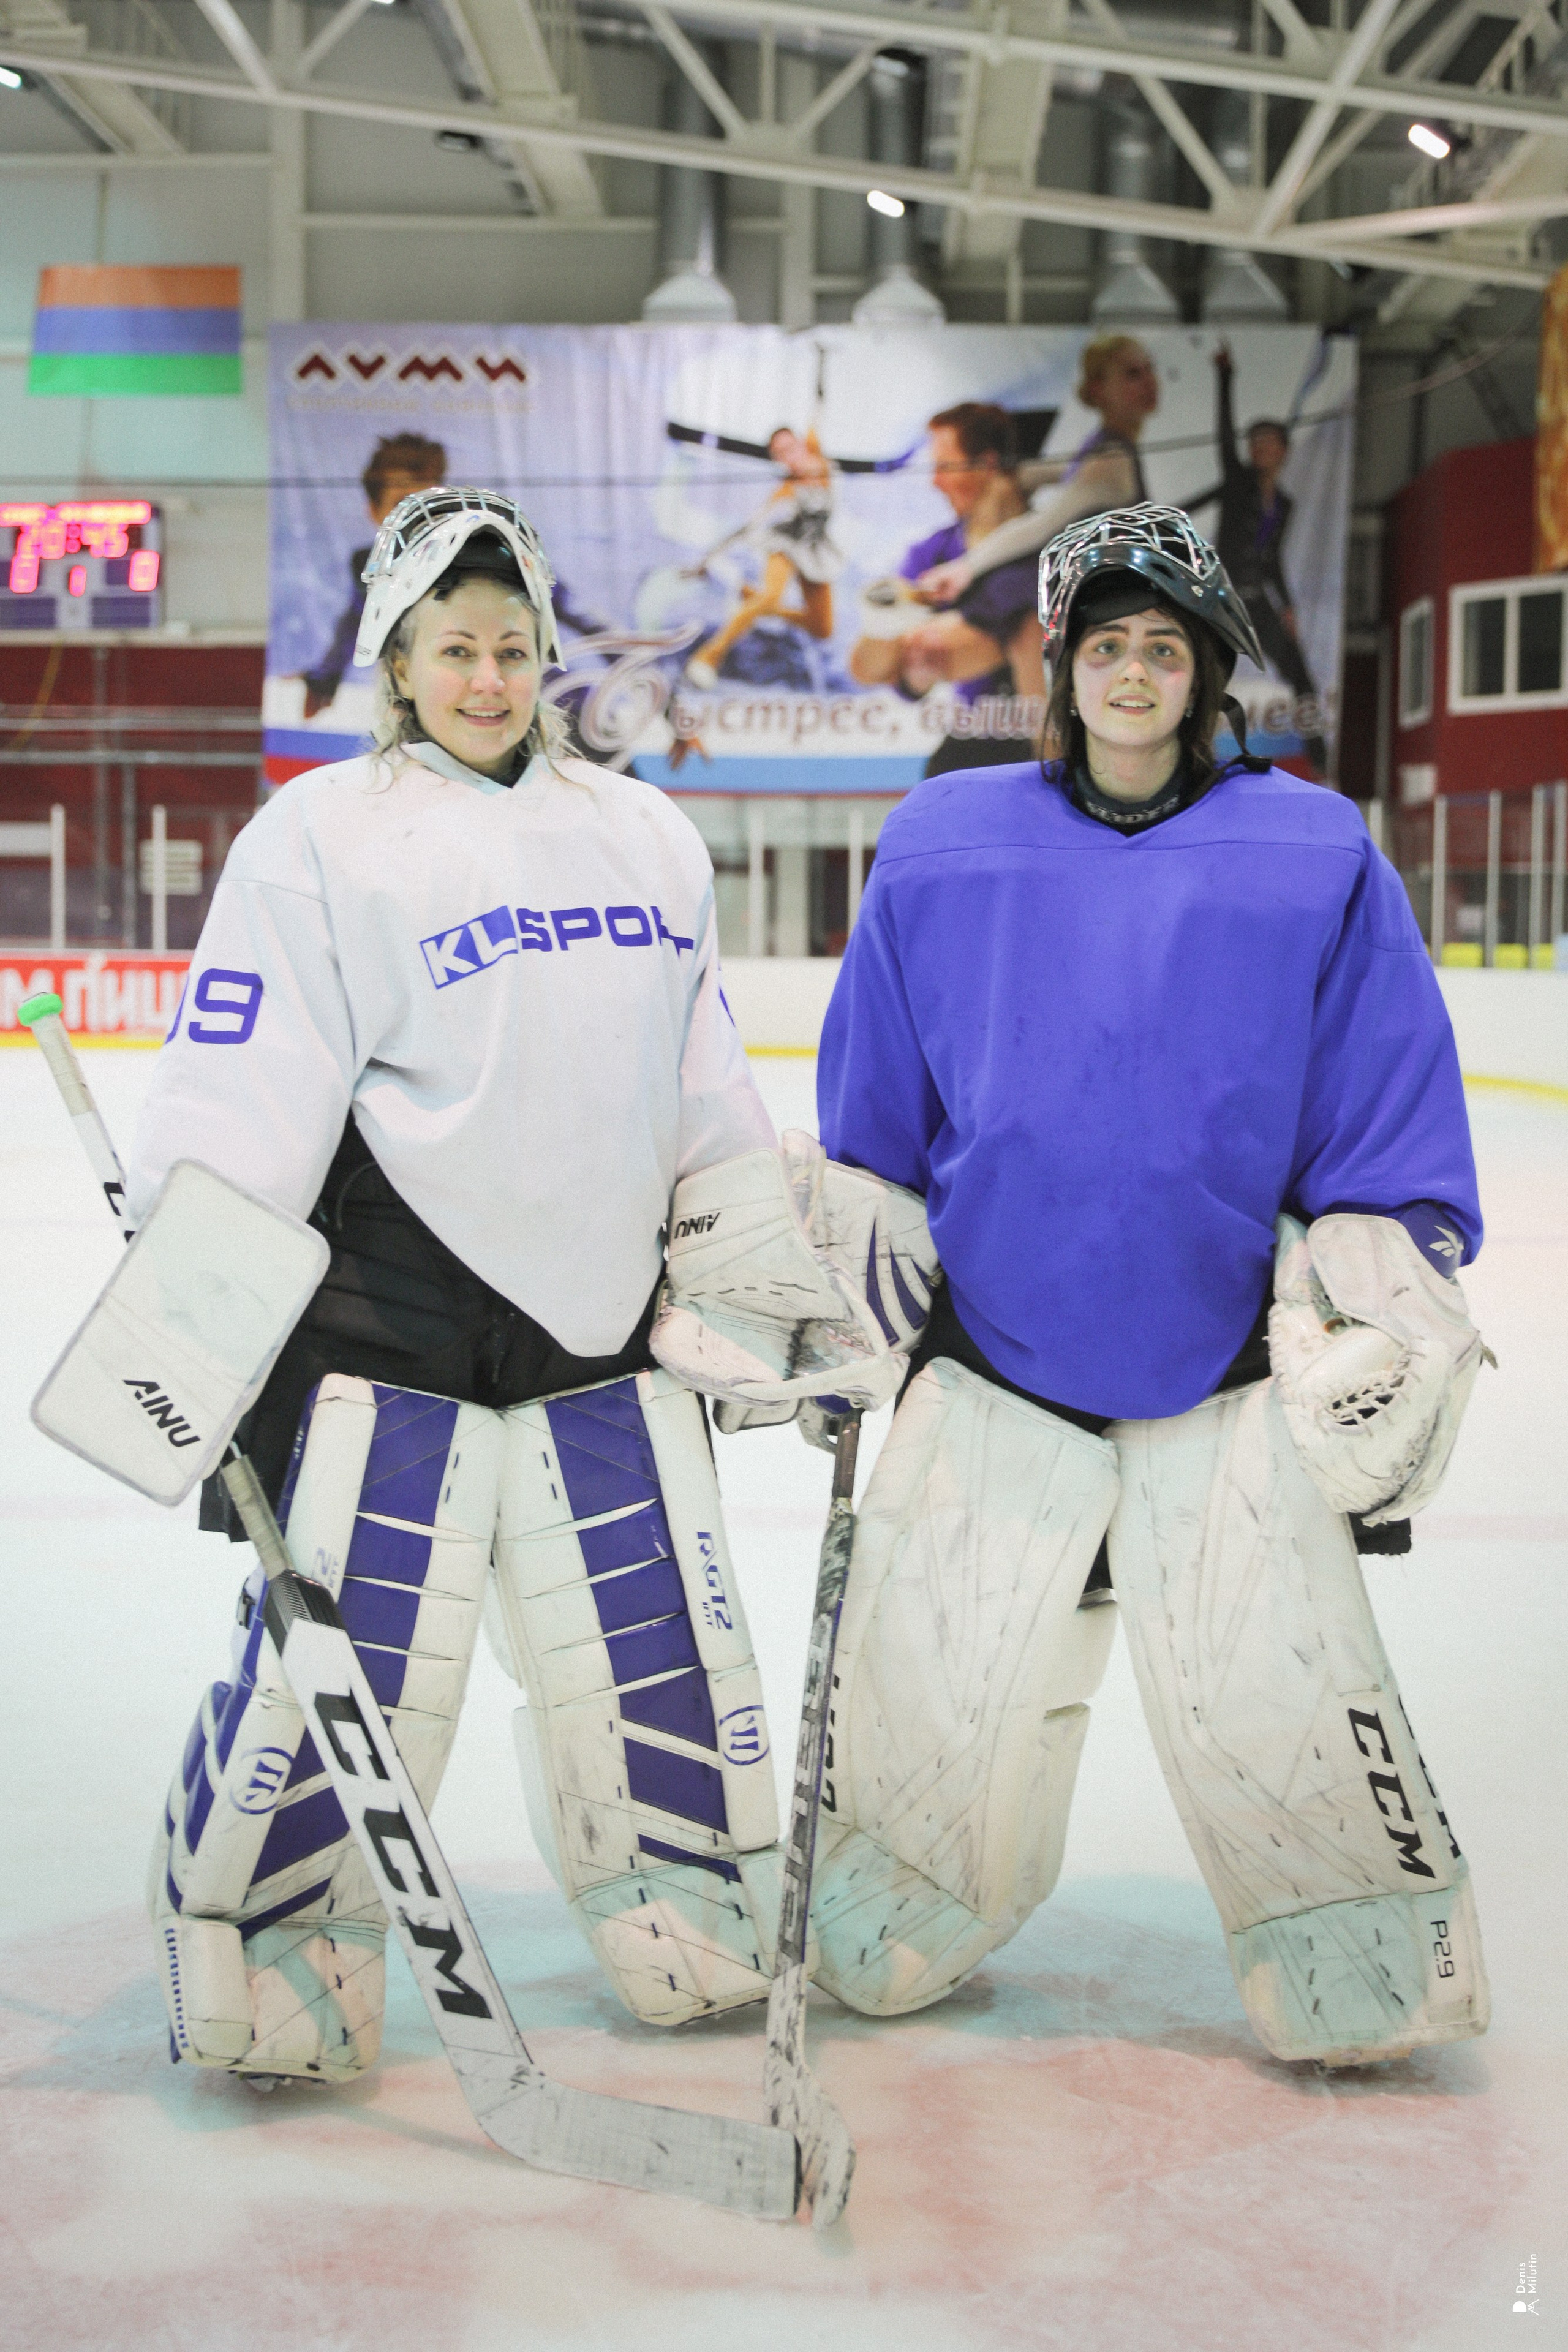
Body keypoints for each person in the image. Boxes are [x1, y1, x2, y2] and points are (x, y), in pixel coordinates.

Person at [129, 487, 820, 2086]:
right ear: (398, 652)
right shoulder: (318, 834)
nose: (490, 675)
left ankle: (678, 1892)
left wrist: (751, 1264)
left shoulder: (644, 834)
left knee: (647, 1632)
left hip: (602, 1322)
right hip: (392, 1315)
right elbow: (241, 1088)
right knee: (361, 1650)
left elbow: (700, 1076)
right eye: (456, 646)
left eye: (512, 646)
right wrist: (198, 1312)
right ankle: (277, 1937)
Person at [791, 503, 1491, 2064]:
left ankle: (1351, 1944)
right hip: (989, 1357)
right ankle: (899, 1896)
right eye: (1101, 644)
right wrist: (845, 1269)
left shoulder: (1307, 849)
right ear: (1059, 666)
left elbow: (1374, 1097)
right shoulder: (944, 843)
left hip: (1226, 1363)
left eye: (1159, 646)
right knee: (934, 1690)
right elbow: (876, 1121)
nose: (1128, 672)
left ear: (1203, 673)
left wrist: (1380, 1266)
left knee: (1275, 1694)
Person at [848, 402, 1046, 775]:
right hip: (979, 739)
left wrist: (941, 638)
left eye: (943, 466)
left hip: (1049, 747)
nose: (934, 482)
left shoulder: (1051, 549)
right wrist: (912, 671)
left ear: (987, 465)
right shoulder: (934, 552)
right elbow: (867, 668)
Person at [911, 334, 1158, 610]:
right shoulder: (1105, 452)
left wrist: (967, 566)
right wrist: (967, 567)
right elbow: (1050, 509)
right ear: (1099, 389)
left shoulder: (1109, 455)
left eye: (1150, 369)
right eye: (1133, 373)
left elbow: (1049, 514)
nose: (1150, 382)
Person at [1183, 341, 1329, 774]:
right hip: (1225, 600)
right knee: (1210, 681)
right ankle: (1190, 757)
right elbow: (1224, 434)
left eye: (1269, 442)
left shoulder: (1283, 504)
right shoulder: (1238, 481)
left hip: (1259, 602)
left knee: (1301, 677)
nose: (1260, 449)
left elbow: (1273, 561)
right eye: (1255, 442)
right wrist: (1226, 376)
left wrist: (1288, 609)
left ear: (1283, 450)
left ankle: (1321, 761)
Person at [299, 432, 447, 717]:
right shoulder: (368, 565)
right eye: (401, 504)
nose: (417, 517)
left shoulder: (473, 556)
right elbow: (357, 620)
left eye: (428, 504)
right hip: (400, 691)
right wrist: (324, 679)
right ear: (375, 512)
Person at [684, 426, 841, 687]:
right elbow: (747, 528)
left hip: (814, 551)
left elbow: (816, 416)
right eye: (780, 454)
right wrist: (707, 560)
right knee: (771, 595)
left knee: (822, 628)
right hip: (785, 544)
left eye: (790, 448)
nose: (788, 457)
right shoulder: (784, 492)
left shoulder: (820, 463)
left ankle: (752, 599)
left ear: (802, 445)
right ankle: (709, 656)